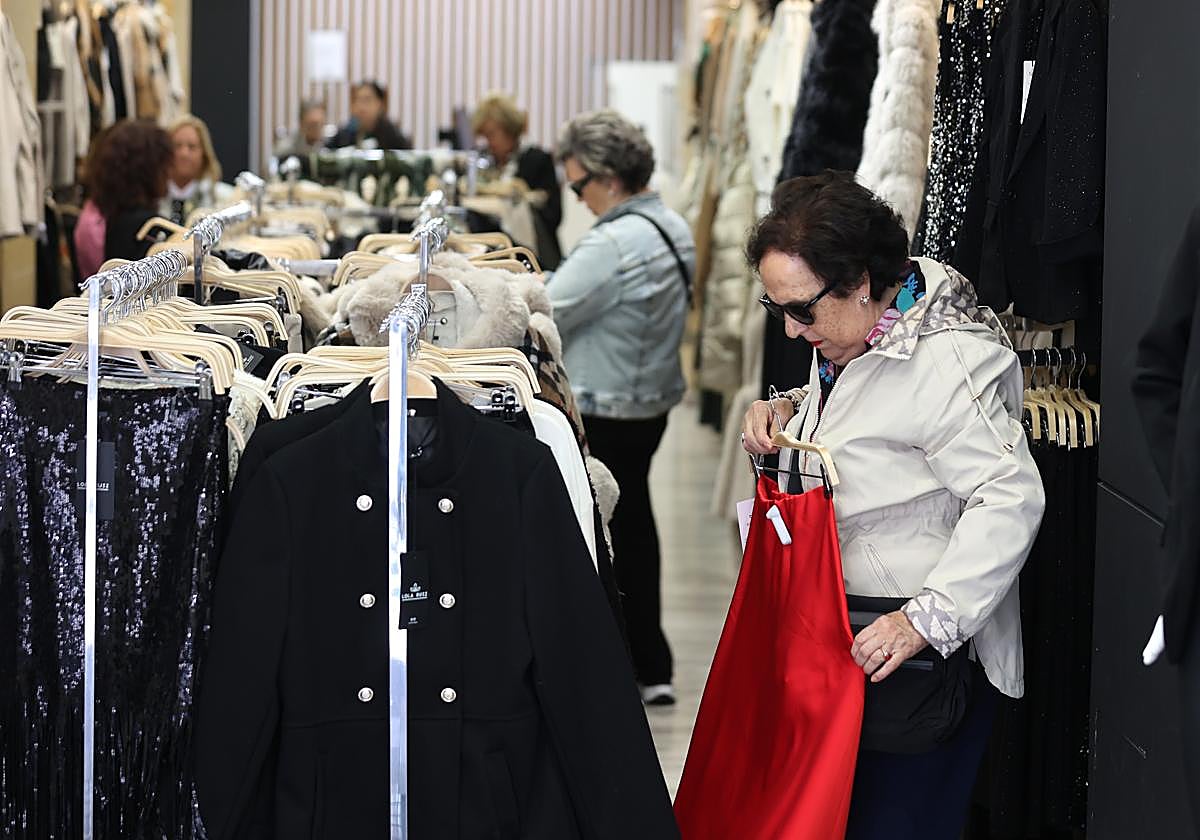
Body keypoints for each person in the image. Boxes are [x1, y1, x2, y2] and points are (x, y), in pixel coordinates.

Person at [739, 171, 1045, 839]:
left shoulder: (945, 362)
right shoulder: (859, 336)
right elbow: (870, 430)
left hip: (911, 665)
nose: (792, 331)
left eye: (802, 311)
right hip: (847, 645)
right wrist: (786, 412)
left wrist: (925, 621)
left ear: (859, 282)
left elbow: (1010, 494)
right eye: (778, 310)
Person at [547, 109, 694, 707]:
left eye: (580, 185)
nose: (579, 198)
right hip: (651, 403)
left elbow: (549, 307)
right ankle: (649, 660)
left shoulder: (612, 242)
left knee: (600, 531)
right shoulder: (670, 226)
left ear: (608, 177)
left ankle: (613, 663)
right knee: (634, 524)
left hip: (606, 406)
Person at [472, 91, 563, 269]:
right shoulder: (483, 160)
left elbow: (554, 215)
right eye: (484, 135)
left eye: (491, 134)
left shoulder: (538, 160)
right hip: (496, 253)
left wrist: (520, 199)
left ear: (510, 129)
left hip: (535, 256)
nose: (488, 141)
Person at [89, 119, 173, 263]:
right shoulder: (148, 227)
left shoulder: (98, 215)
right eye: (165, 165)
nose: (170, 173)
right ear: (148, 170)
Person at [164, 114, 234, 225]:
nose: (184, 154)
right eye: (177, 146)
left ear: (204, 153)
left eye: (191, 147)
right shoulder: (152, 200)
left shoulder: (225, 200)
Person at [328, 81, 412, 151]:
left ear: (380, 104)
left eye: (367, 100)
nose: (361, 107)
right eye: (357, 100)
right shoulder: (346, 132)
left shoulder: (393, 135)